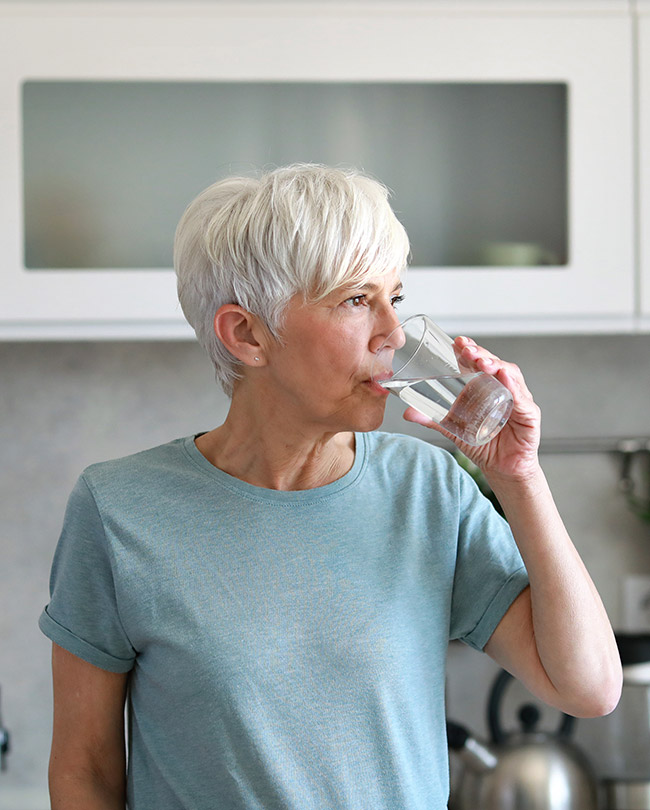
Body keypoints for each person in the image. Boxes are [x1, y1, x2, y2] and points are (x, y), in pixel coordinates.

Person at [40, 163, 621, 810]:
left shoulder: (428, 491)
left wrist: (519, 478)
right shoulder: (120, 510)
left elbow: (590, 688)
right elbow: (85, 771)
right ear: (247, 334)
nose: (394, 334)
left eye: (394, 296)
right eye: (356, 300)